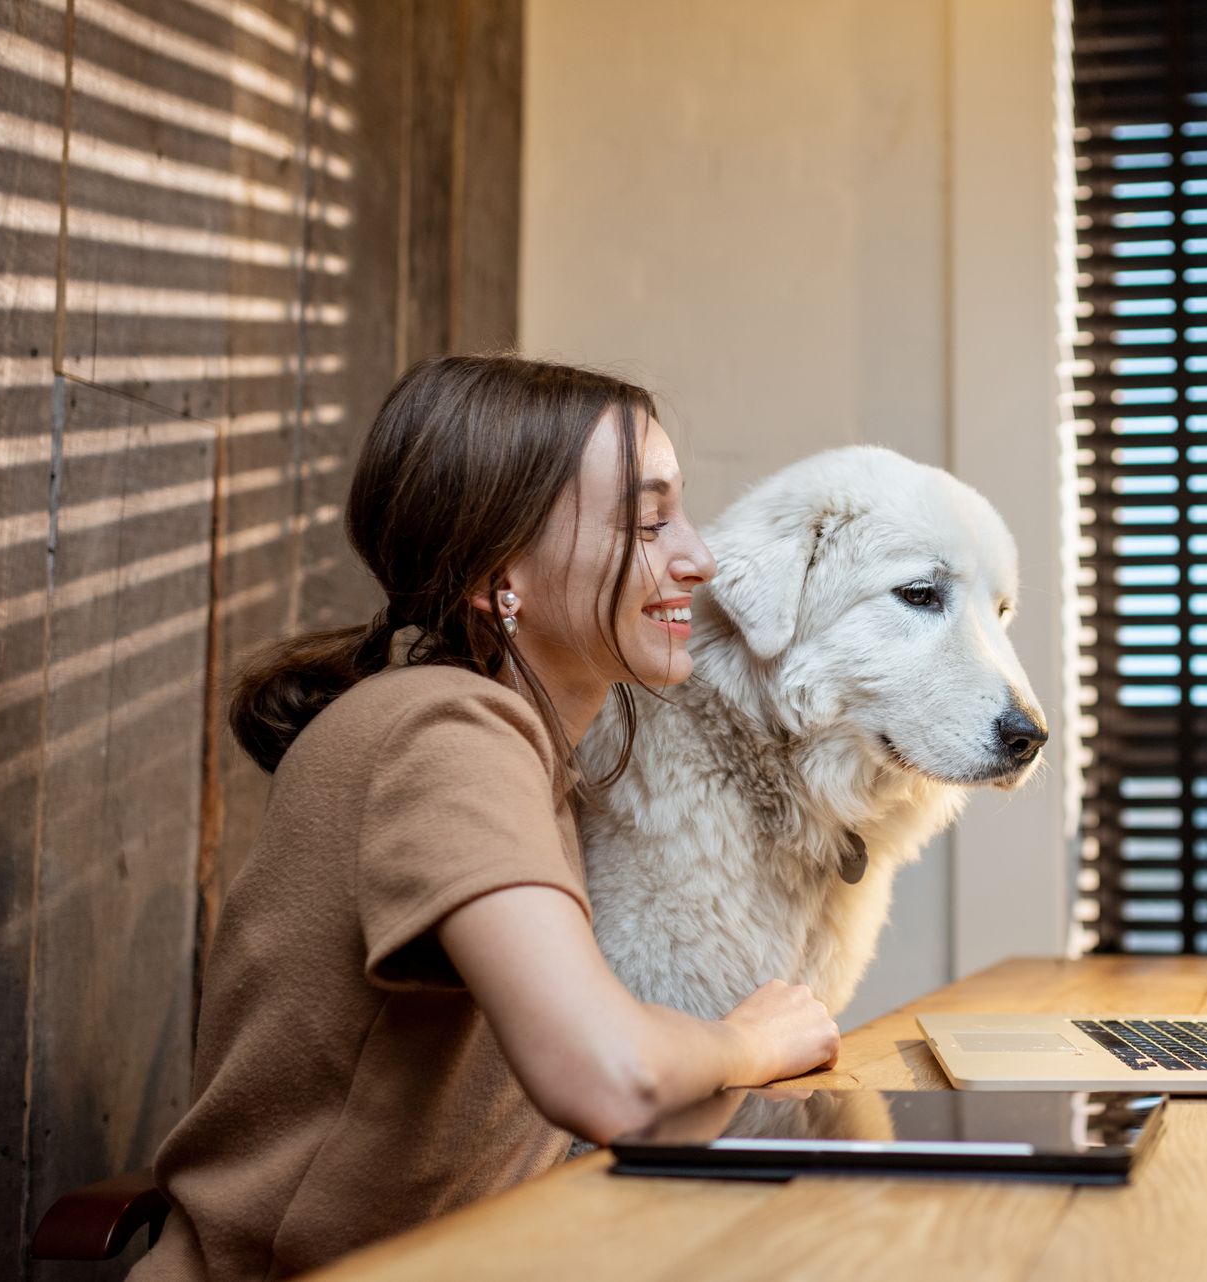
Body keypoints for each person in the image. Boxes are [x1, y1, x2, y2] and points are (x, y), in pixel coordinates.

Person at [130, 355, 840, 1280]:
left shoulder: (497, 740)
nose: (696, 559)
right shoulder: (450, 732)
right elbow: (607, 1076)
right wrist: (748, 1043)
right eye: (648, 521)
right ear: (497, 571)